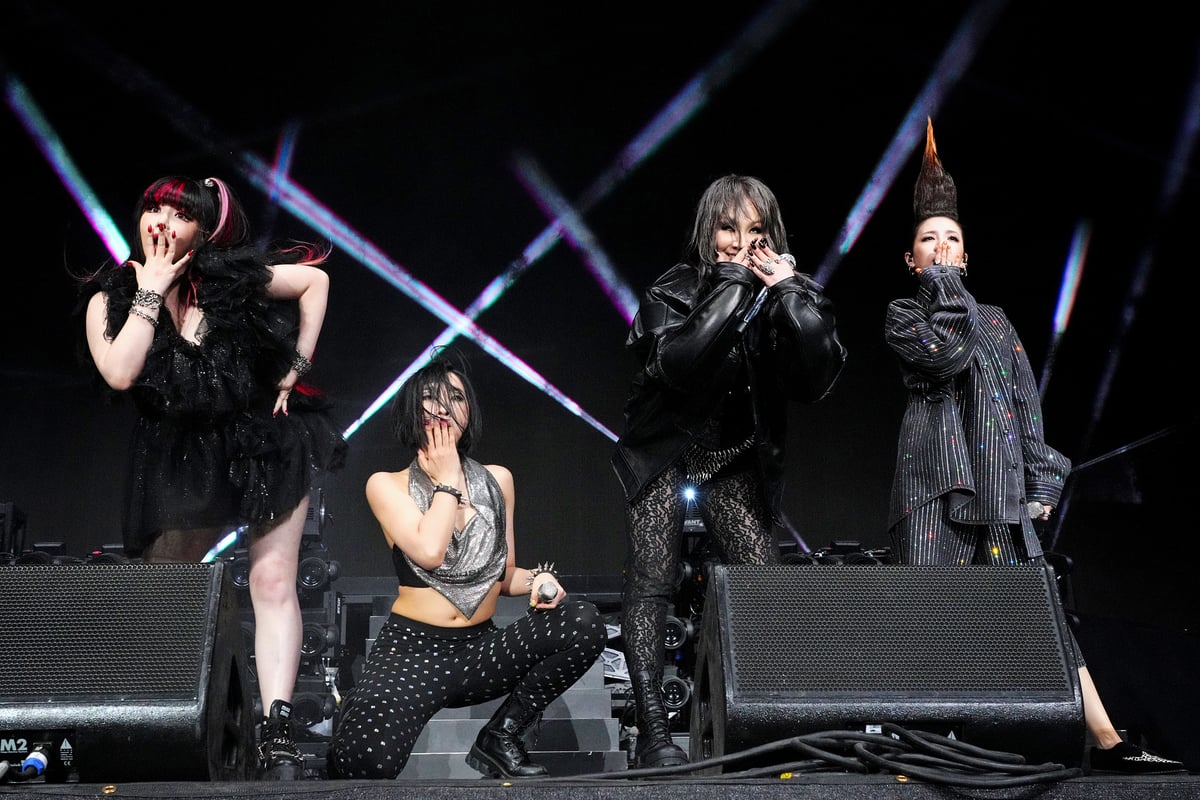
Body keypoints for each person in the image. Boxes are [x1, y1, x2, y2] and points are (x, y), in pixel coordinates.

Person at [884, 118, 1185, 775]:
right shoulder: (905, 315)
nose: (940, 249)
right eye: (928, 242)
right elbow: (946, 352)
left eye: (952, 241)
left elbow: (1025, 405)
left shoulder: (1000, 322)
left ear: (968, 254)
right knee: (934, 620)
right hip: (935, 491)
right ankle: (924, 748)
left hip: (1000, 494)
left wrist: (1039, 488)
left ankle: (1108, 739)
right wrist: (943, 289)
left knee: (1041, 612)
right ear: (911, 261)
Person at [76, 175, 349, 780]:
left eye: (179, 214)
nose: (163, 222)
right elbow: (120, 373)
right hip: (179, 454)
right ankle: (167, 716)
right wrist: (150, 291)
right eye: (154, 208)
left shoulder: (227, 280)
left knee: (272, 577)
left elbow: (315, 280)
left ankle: (277, 728)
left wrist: (294, 369)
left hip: (260, 439)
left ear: (201, 230)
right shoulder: (110, 298)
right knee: (165, 589)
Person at [611, 174, 848, 768]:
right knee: (651, 582)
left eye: (755, 230)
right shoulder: (673, 288)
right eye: (728, 228)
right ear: (708, 231)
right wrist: (734, 284)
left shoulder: (787, 290)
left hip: (732, 454)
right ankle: (653, 735)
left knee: (760, 583)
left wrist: (790, 294)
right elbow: (679, 363)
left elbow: (817, 379)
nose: (741, 241)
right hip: (664, 447)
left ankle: (758, 726)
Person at [326, 349, 606, 780]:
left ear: (468, 411)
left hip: (478, 650)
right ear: (412, 412)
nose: (444, 408)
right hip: (411, 653)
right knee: (361, 765)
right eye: (432, 398)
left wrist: (538, 579)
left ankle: (502, 736)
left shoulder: (498, 480)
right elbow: (430, 551)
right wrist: (446, 480)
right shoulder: (386, 484)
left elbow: (504, 573)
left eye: (456, 397)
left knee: (583, 622)